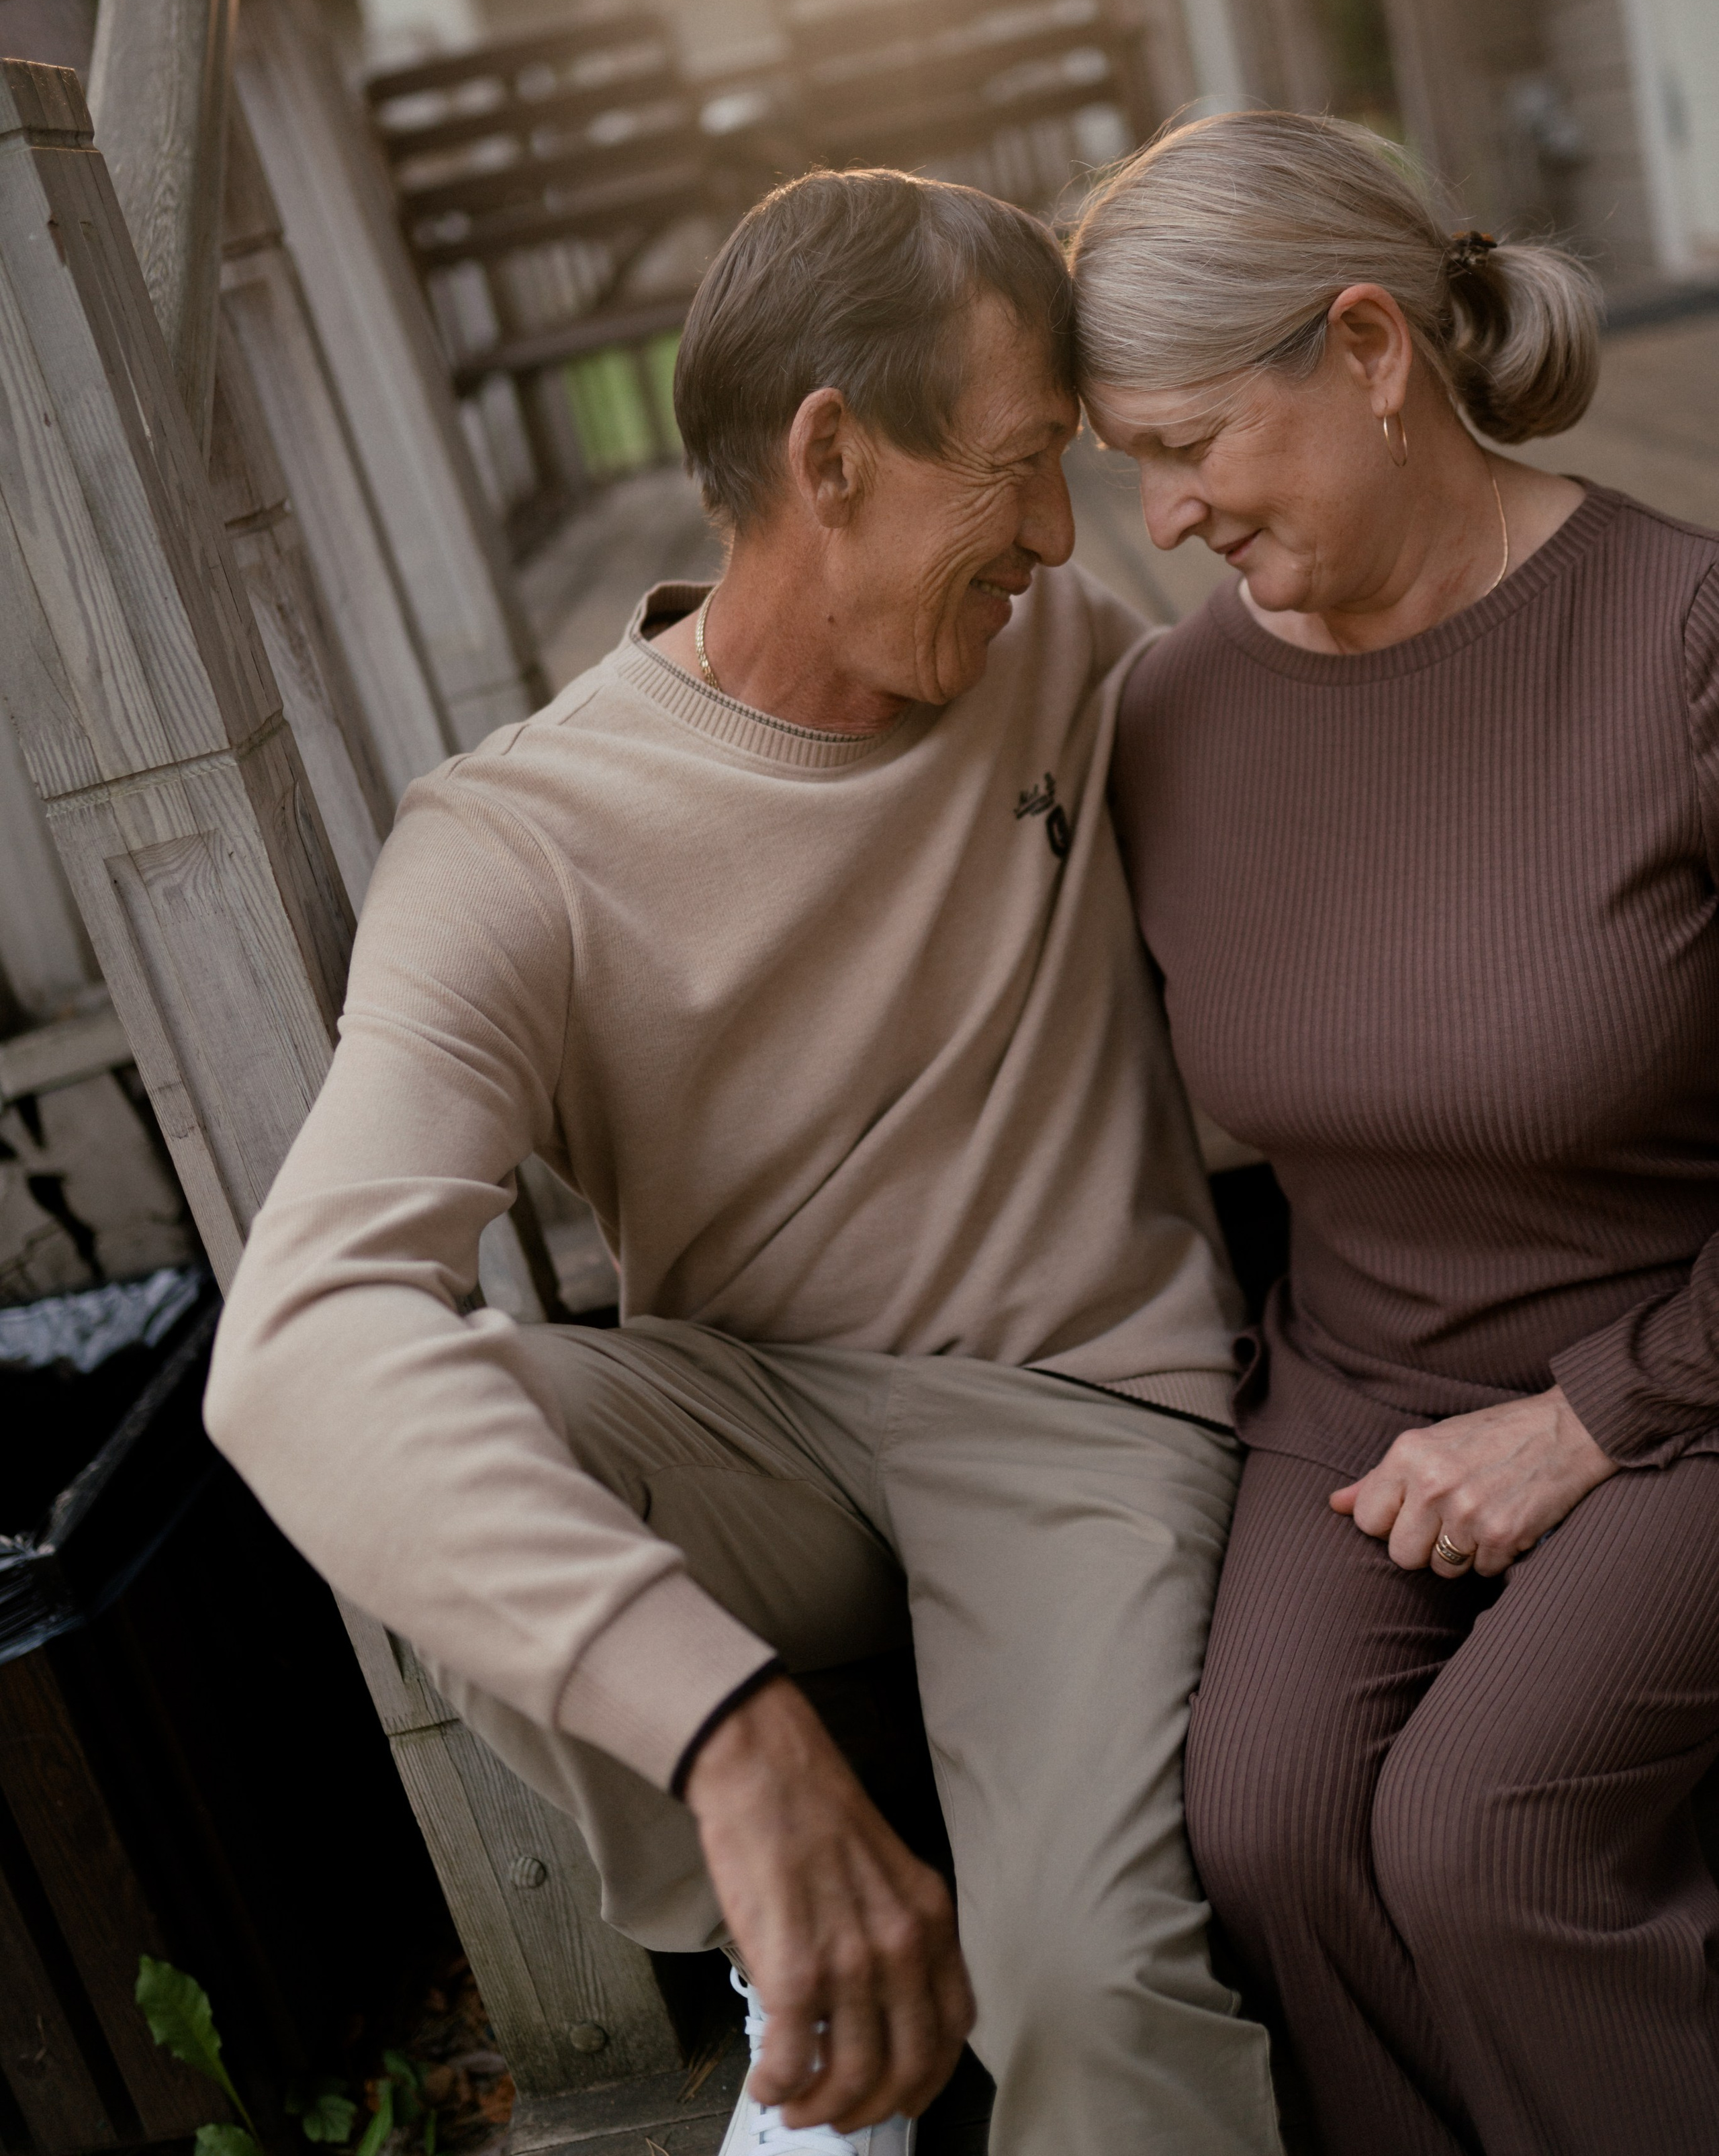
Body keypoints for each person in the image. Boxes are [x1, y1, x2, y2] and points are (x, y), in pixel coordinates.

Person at [205, 169, 1283, 2156]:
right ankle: (797, 1936)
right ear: (831, 458)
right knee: (464, 1400)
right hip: (759, 1430)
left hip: (1081, 1416)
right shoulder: (518, 841)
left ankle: (902, 1991)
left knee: (1098, 1986)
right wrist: (728, 1728)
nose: (1063, 533)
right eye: (1025, 466)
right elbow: (295, 1342)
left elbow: (1332, 784)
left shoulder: (1064, 654)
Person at [1073, 107, 1719, 2156]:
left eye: (1193, 445)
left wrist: (1600, 1413)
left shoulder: (1681, 643)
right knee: (1262, 1832)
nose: (1163, 517)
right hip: (1358, 1389)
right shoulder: (1171, 718)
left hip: (1685, 1372)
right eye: (1127, 464)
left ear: (1370, 351)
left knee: (1480, 1832)